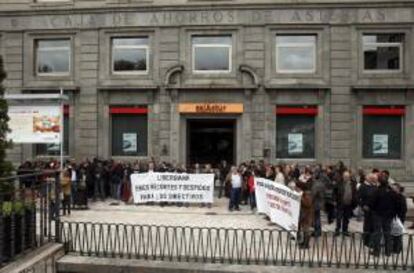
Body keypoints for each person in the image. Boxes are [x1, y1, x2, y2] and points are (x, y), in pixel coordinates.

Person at [369, 173, 399, 257]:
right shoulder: (391, 191)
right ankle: (388, 251)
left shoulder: (377, 191)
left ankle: (376, 252)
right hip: (388, 216)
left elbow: (372, 203)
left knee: (377, 233)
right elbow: (396, 203)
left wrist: (372, 210)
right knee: (387, 233)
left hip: (378, 215)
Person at [334, 170, 357, 236]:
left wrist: (355, 201)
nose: (345, 178)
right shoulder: (339, 183)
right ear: (343, 176)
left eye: (347, 176)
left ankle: (345, 230)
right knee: (339, 218)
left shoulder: (352, 184)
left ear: (349, 177)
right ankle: (337, 230)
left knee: (346, 218)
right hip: (340, 203)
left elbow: (355, 193)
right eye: (344, 176)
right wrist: (335, 200)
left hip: (349, 204)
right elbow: (334, 192)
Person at [357, 173, 377, 247]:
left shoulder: (375, 186)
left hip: (375, 209)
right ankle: (366, 240)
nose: (373, 180)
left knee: (373, 226)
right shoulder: (363, 186)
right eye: (372, 178)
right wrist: (363, 205)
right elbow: (358, 198)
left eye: (374, 179)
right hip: (367, 209)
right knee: (367, 225)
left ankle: (372, 241)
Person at [391, 183, 407, 254]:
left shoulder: (401, 197)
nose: (393, 189)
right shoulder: (394, 196)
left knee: (398, 233)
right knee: (394, 233)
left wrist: (398, 216)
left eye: (394, 188)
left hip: (398, 218)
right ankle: (395, 247)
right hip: (395, 217)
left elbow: (403, 209)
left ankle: (397, 248)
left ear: (398, 189)